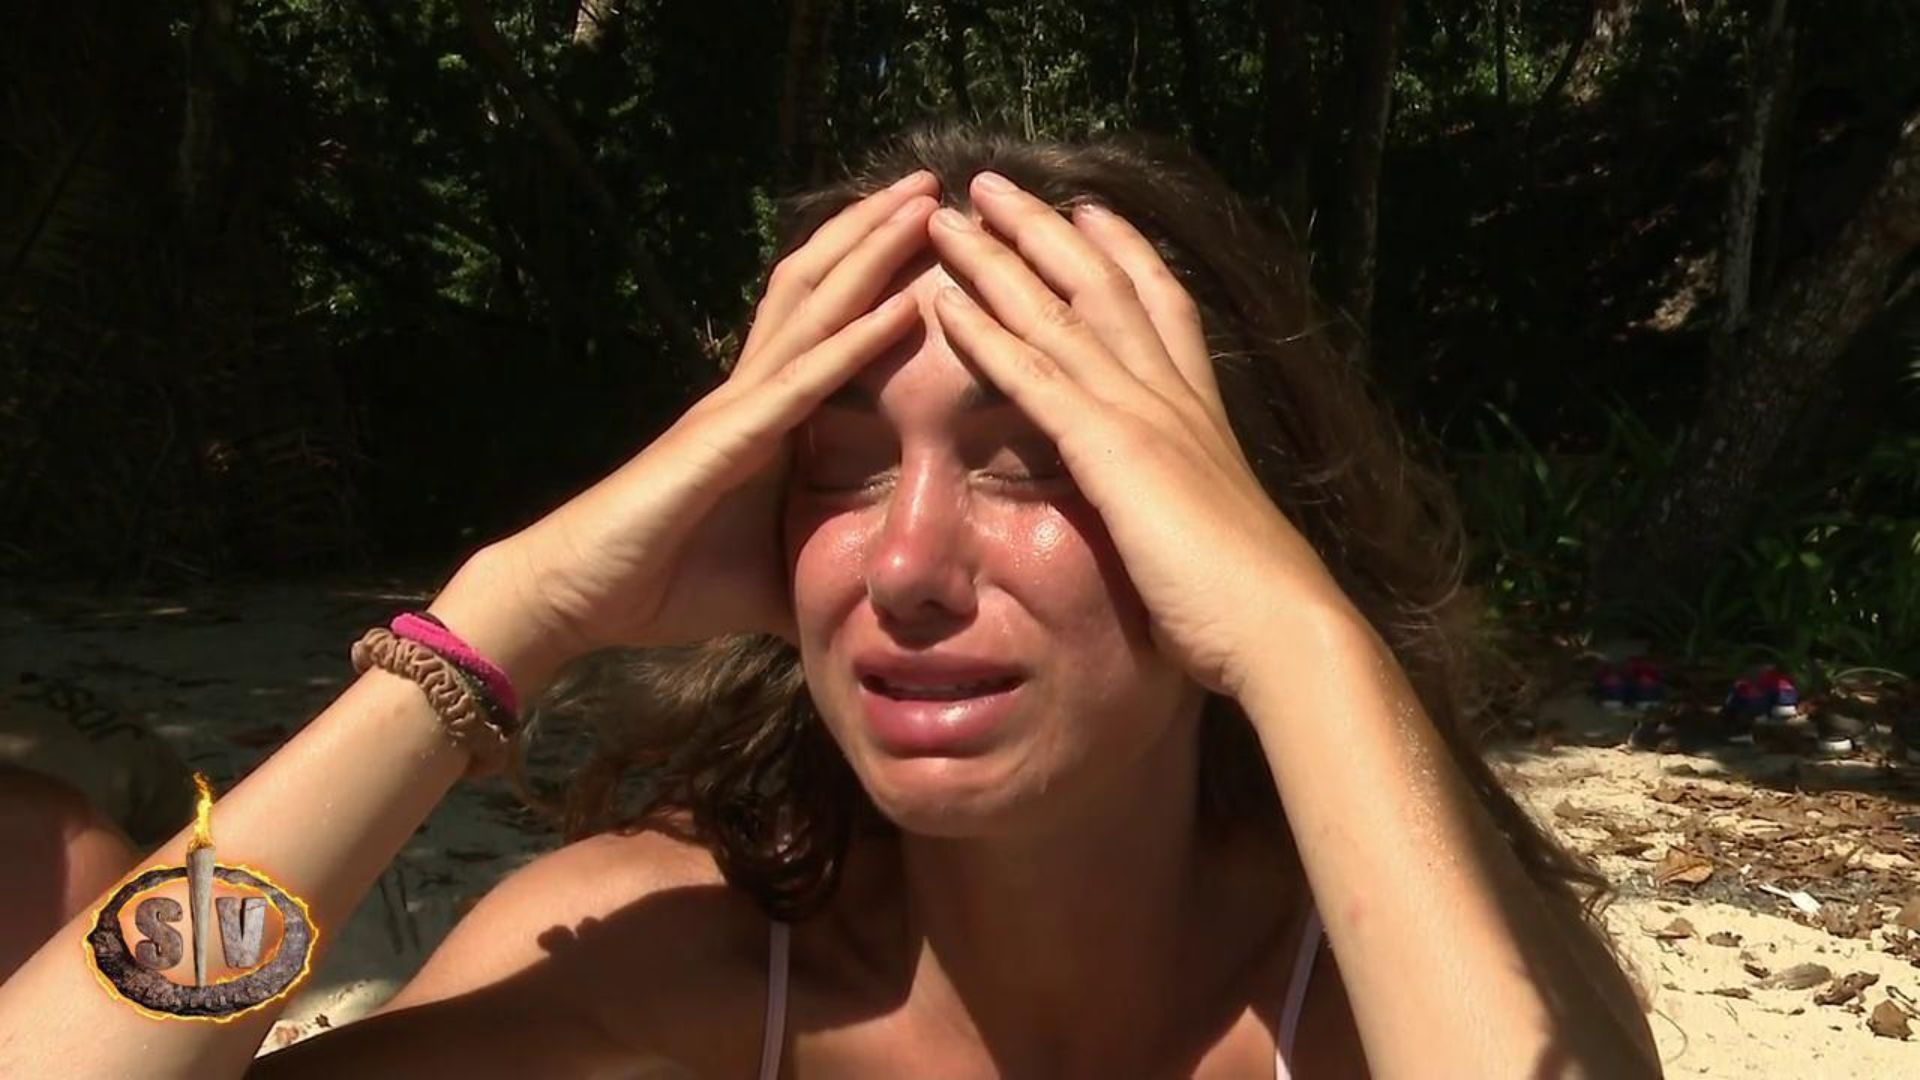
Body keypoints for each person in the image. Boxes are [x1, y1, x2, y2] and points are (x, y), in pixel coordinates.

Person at [0, 124, 1661, 1078]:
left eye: (1034, 466)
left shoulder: (1392, 995)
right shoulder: (666, 975)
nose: (908, 564)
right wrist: (495, 623)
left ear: (1220, 526)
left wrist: (1298, 640)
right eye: (839, 470)